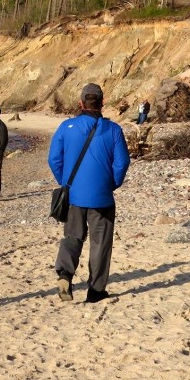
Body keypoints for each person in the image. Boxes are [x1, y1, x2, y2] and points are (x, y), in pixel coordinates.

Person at [50, 83, 130, 304]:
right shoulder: (113, 129)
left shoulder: (67, 127)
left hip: (74, 196)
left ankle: (65, 274)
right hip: (102, 198)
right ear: (102, 103)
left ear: (81, 103)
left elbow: (54, 159)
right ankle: (95, 290)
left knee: (72, 237)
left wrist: (66, 183)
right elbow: (122, 162)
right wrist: (111, 184)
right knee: (100, 243)